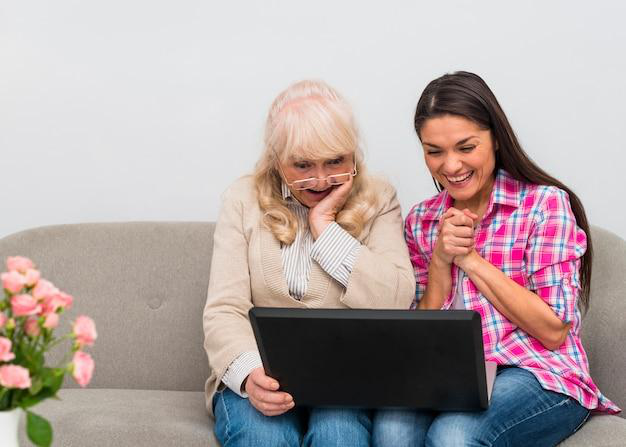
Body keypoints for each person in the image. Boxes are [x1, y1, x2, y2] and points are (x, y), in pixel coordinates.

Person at [372, 71, 620, 447]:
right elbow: (421, 337)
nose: (450, 165)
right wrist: (441, 261)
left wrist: (469, 260)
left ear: (495, 140)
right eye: (434, 151)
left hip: (540, 373)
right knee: (391, 429)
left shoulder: (544, 205)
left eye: (465, 147)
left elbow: (553, 330)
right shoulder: (422, 220)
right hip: (454, 376)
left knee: (454, 434)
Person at [203, 79, 415, 446]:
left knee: (340, 437)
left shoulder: (380, 198)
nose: (320, 180)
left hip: (346, 379)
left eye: (335, 161)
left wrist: (325, 227)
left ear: (353, 154)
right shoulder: (242, 199)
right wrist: (251, 375)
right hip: (260, 372)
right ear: (276, 159)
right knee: (263, 439)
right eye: (302, 165)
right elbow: (225, 309)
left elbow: (397, 299)